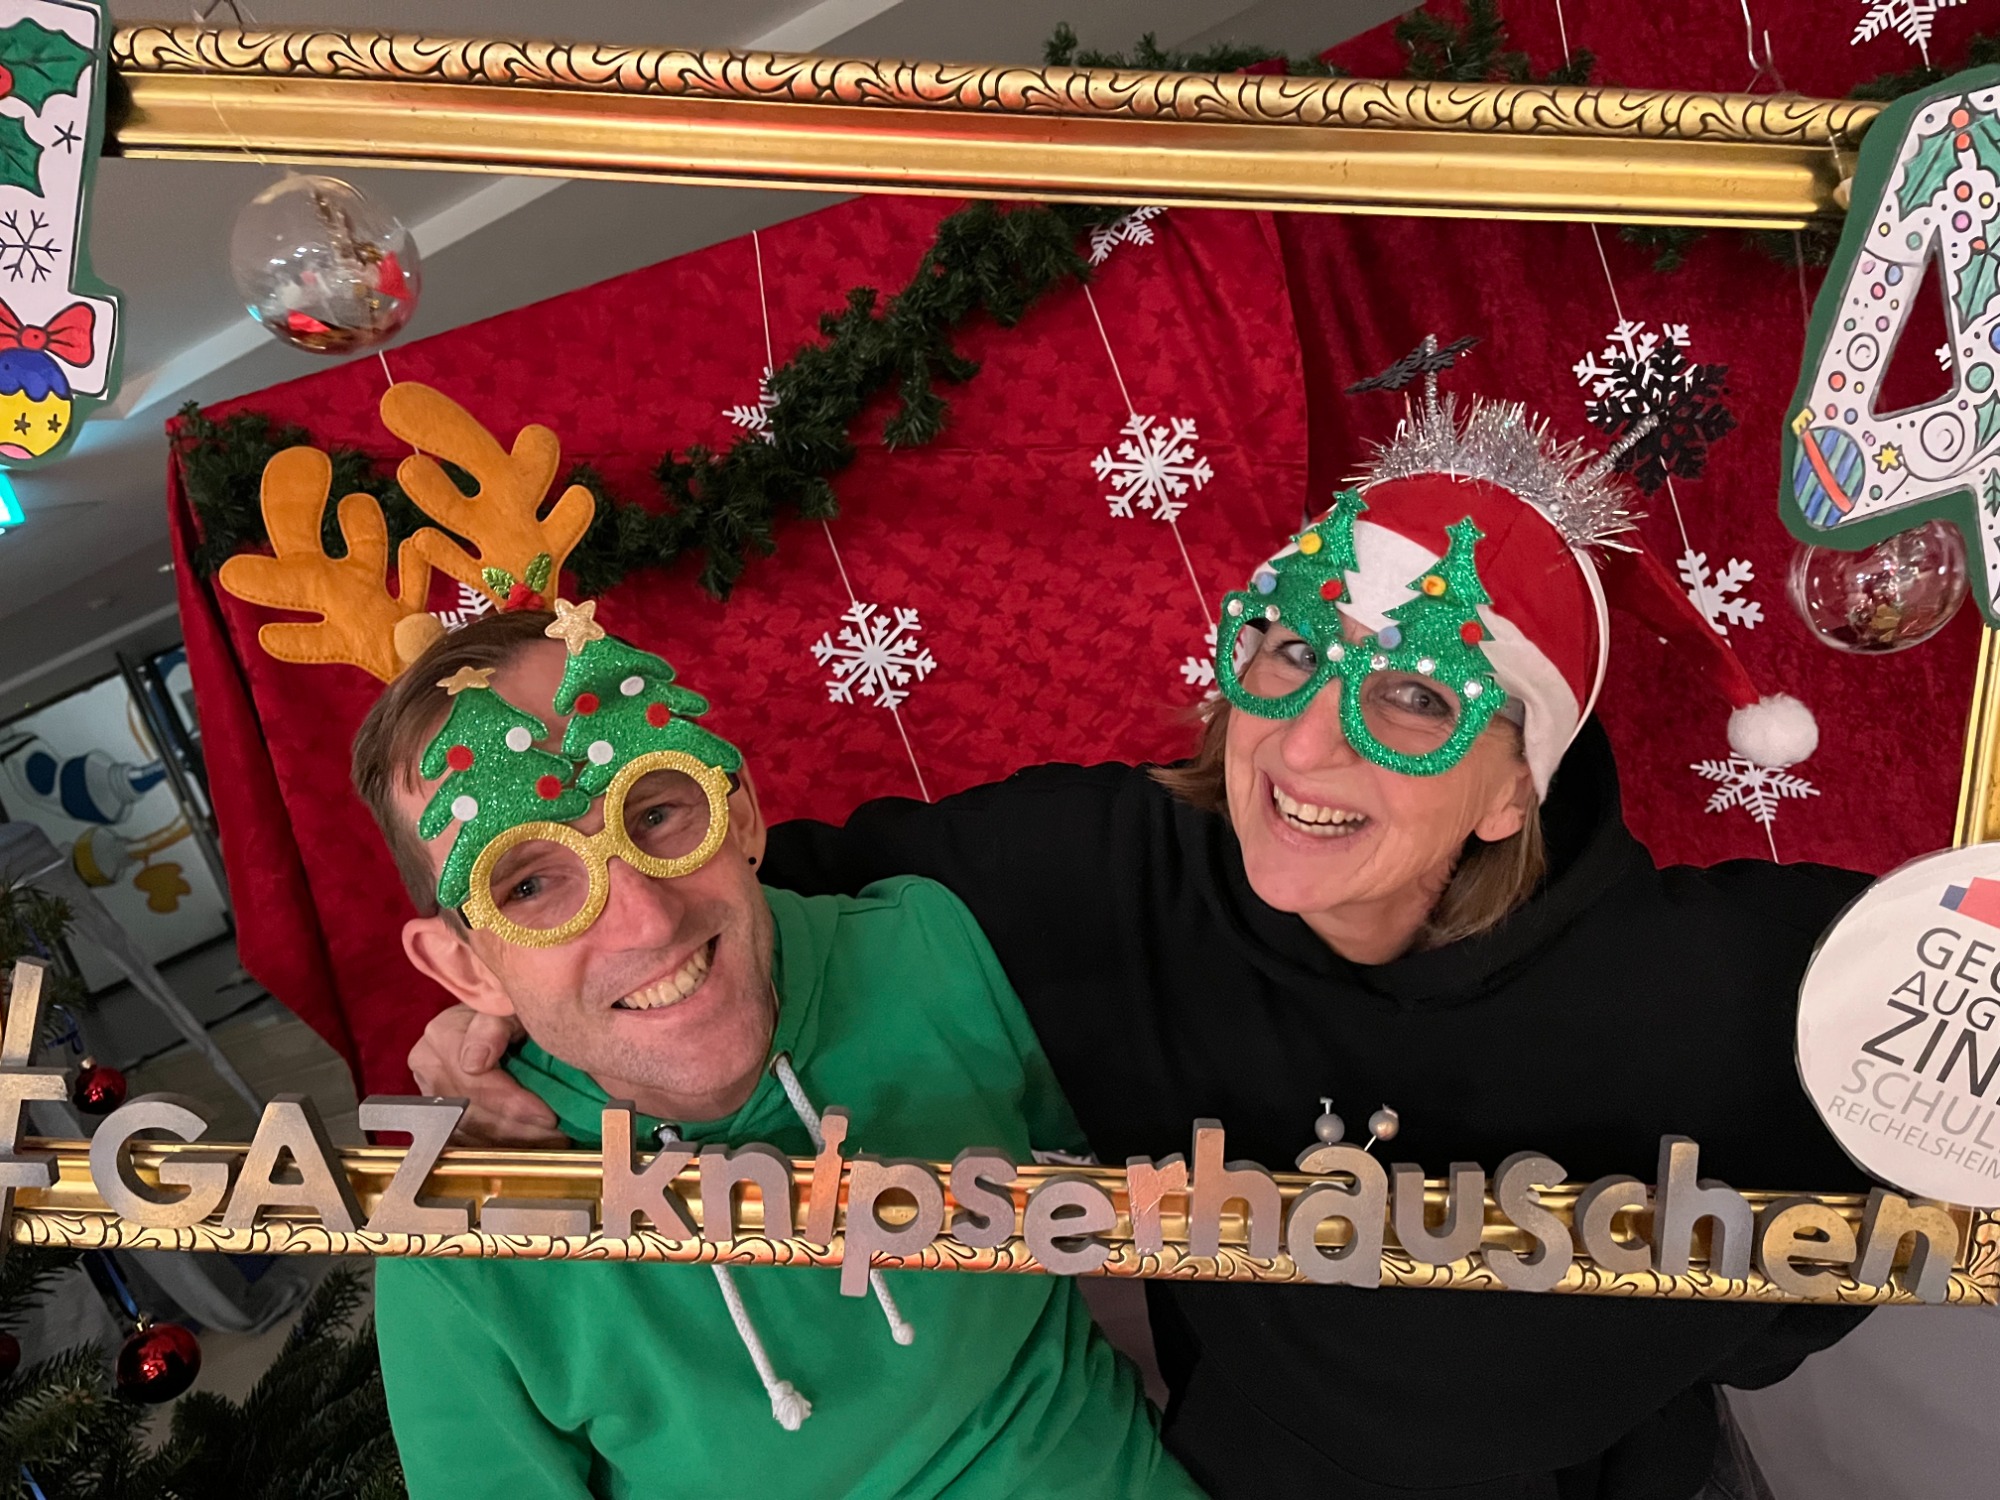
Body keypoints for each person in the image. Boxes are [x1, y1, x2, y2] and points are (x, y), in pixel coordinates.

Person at [414, 392, 1877, 1500]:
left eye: (1416, 700)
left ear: (1515, 787)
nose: (1305, 746)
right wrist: (521, 1002)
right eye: (1290, 653)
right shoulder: (1101, 875)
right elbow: (733, 881)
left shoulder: (1715, 977)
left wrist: (1704, 1327)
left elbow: (1938, 1050)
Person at [356, 603, 1202, 1500]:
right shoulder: (455, 1252)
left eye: (656, 813)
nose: (648, 919)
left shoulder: (938, 951)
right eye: (529, 884)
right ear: (464, 968)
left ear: (743, 815)